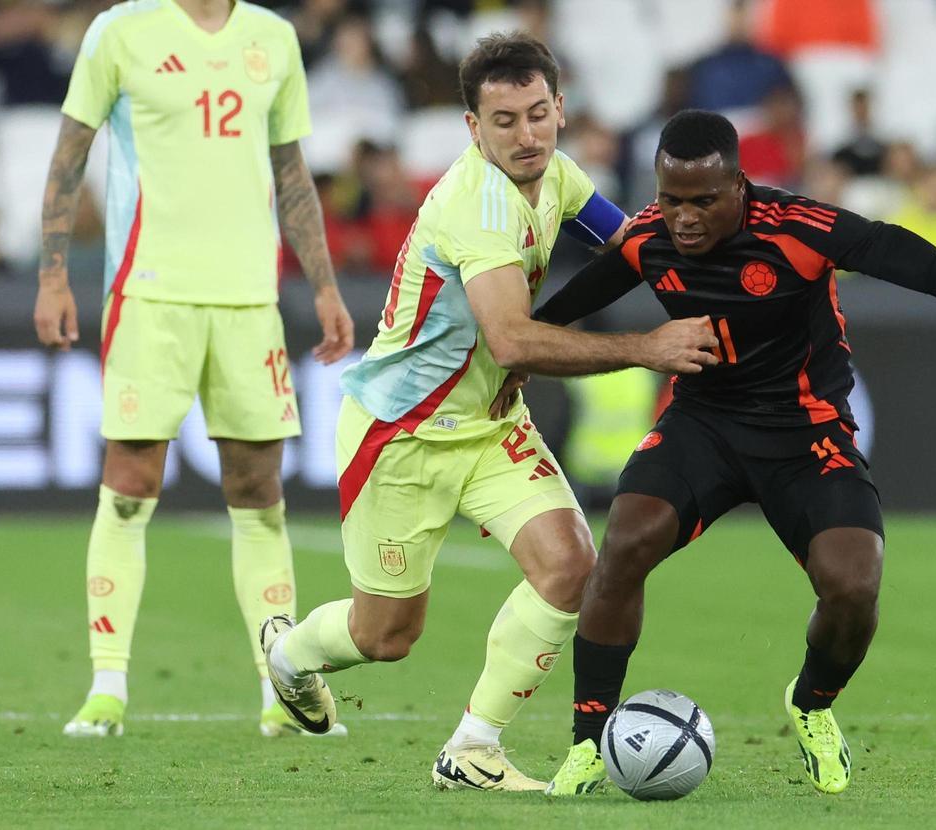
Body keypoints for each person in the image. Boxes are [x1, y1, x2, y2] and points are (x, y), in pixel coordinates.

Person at [538, 110, 936, 796]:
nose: (684, 219)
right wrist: (505, 355)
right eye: (670, 200)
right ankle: (587, 744)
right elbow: (555, 318)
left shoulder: (800, 229)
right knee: (625, 544)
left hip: (805, 434)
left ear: (740, 186)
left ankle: (811, 703)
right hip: (705, 425)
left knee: (853, 588)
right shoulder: (645, 241)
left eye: (703, 201)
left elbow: (929, 267)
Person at [259, 32, 718, 792]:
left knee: (572, 569)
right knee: (387, 636)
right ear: (473, 127)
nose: (526, 134)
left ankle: (474, 746)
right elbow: (508, 340)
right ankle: (289, 655)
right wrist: (649, 345)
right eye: (504, 121)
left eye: (538, 114)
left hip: (493, 426)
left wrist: (723, 273)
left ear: (560, 110)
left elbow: (638, 241)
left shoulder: (560, 174)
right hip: (403, 437)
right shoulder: (474, 207)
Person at [33, 0, 355, 738]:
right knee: (129, 483)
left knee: (258, 493)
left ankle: (279, 691)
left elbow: (291, 169)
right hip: (150, 293)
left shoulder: (273, 38)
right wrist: (54, 275)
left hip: (249, 299)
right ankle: (106, 688)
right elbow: (69, 151)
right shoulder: (120, 31)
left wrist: (326, 285)